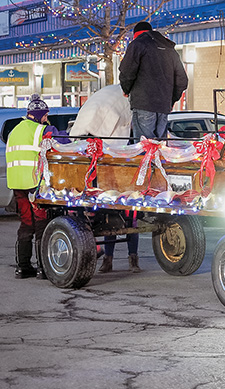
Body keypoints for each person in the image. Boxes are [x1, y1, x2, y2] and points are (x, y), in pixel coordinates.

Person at [69, 85, 140, 273]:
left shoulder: (110, 99)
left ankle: (120, 258)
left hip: (113, 177)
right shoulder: (124, 104)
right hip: (113, 177)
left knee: (125, 218)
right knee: (121, 218)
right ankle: (118, 259)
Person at [6, 95, 67, 279]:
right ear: (41, 115)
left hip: (17, 184)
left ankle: (22, 267)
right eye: (45, 115)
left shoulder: (14, 131)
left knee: (26, 223)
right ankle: (43, 268)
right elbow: (62, 141)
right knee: (41, 223)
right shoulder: (42, 130)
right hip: (34, 184)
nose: (46, 118)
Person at [119, 21, 188, 140]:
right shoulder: (170, 49)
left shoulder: (137, 44)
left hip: (143, 103)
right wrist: (171, 101)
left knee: (144, 146)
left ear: (136, 34)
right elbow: (182, 80)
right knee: (160, 147)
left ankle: (147, 158)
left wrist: (126, 89)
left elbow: (127, 72)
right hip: (163, 106)